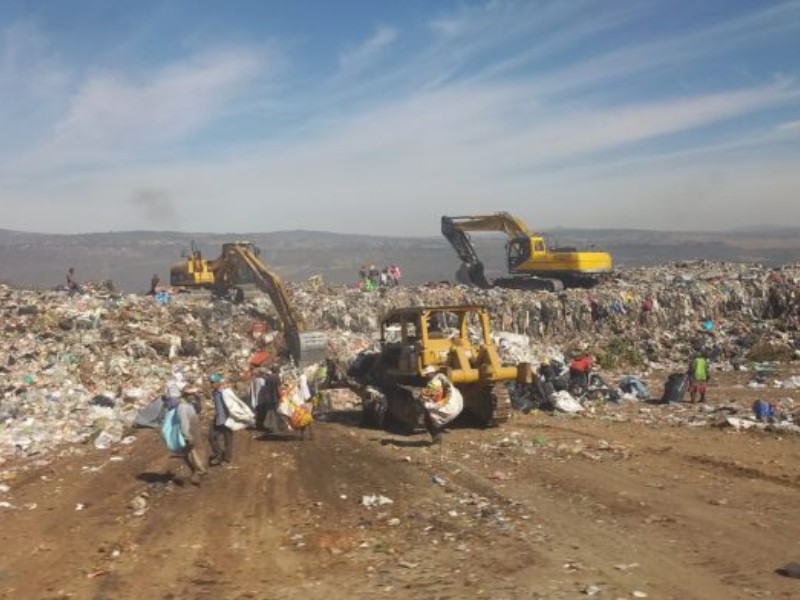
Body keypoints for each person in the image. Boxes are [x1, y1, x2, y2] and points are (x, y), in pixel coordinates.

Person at [171, 384, 207, 485]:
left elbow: (199, 410)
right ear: (185, 395)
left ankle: (198, 471)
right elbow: (184, 424)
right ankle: (197, 472)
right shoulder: (183, 407)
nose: (193, 396)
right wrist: (187, 436)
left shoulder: (188, 404)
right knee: (193, 453)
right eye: (191, 394)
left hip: (194, 429)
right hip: (190, 431)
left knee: (197, 451)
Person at [419, 366, 463, 445]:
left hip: (449, 408)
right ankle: (437, 438)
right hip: (457, 404)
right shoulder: (442, 378)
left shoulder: (434, 384)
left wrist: (424, 403)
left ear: (431, 373)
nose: (426, 376)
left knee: (429, 420)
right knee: (434, 417)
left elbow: (425, 397)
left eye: (427, 374)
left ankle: (437, 441)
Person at [208, 372, 234, 465]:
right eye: (211, 382)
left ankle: (226, 459)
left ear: (218, 382)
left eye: (213, 382)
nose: (211, 384)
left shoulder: (225, 392)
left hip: (227, 418)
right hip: (218, 418)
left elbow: (233, 405)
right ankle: (218, 455)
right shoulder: (214, 392)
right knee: (211, 437)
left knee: (228, 439)